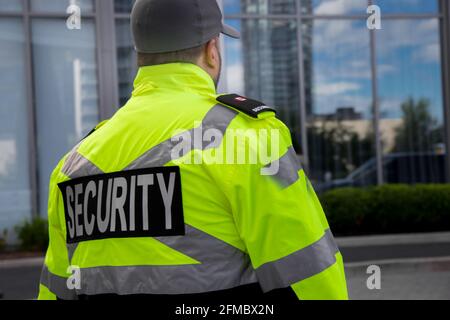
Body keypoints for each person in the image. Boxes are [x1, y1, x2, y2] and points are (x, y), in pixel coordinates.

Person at [38, 0, 348, 300]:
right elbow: (310, 275)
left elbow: (55, 291)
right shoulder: (248, 138)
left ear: (140, 57)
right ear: (212, 51)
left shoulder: (73, 166)